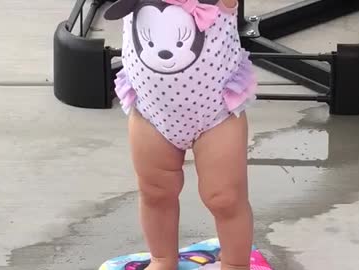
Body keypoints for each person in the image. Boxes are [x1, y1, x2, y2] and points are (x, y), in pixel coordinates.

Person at [104, 0, 256, 269]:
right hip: (151, 111)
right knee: (154, 192)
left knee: (225, 198)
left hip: (215, 113)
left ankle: (235, 264)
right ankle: (162, 259)